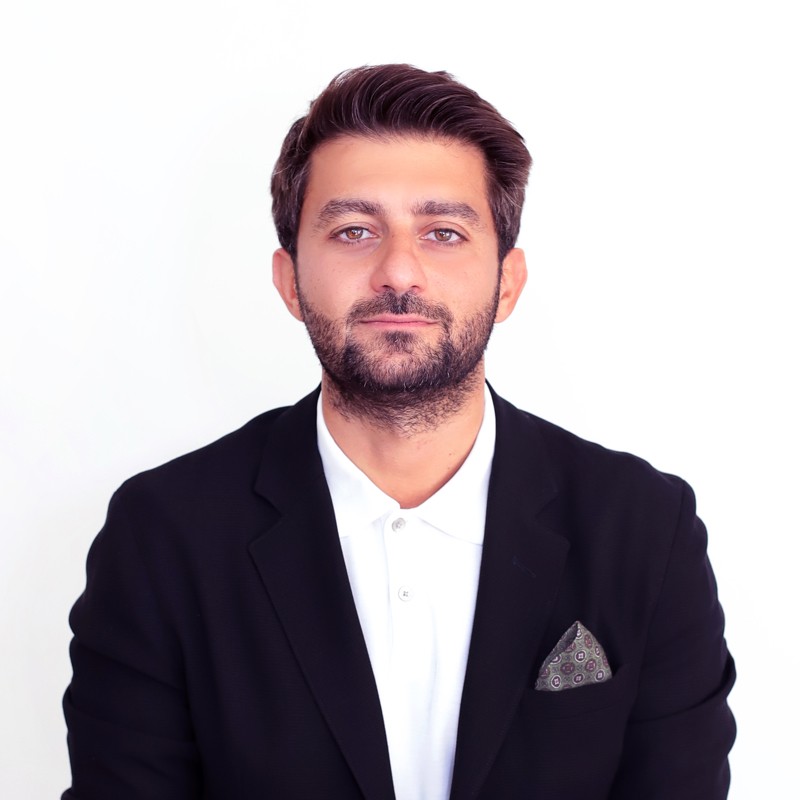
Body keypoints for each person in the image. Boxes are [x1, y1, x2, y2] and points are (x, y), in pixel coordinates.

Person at [62, 64, 735, 799]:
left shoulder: (643, 529)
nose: (399, 272)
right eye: (354, 231)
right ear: (290, 281)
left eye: (444, 232)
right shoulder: (164, 537)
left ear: (507, 282)